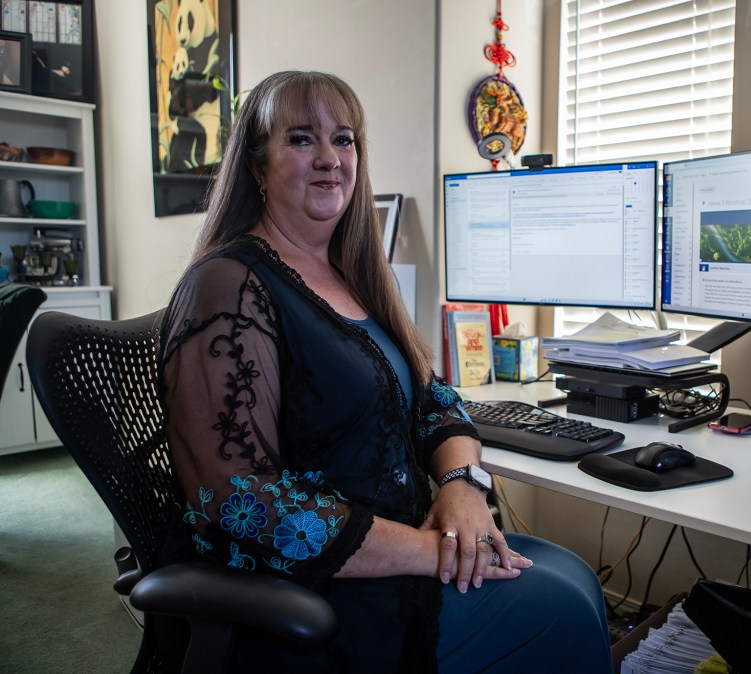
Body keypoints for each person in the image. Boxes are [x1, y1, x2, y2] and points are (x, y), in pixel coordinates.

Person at [157, 70, 613, 673]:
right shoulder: (229, 286)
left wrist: (463, 488)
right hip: (321, 589)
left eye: (343, 140)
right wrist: (431, 551)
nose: (328, 159)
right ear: (256, 165)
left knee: (576, 576)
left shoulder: (354, 276)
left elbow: (436, 400)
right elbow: (241, 500)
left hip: (403, 550)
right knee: (561, 607)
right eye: (301, 139)